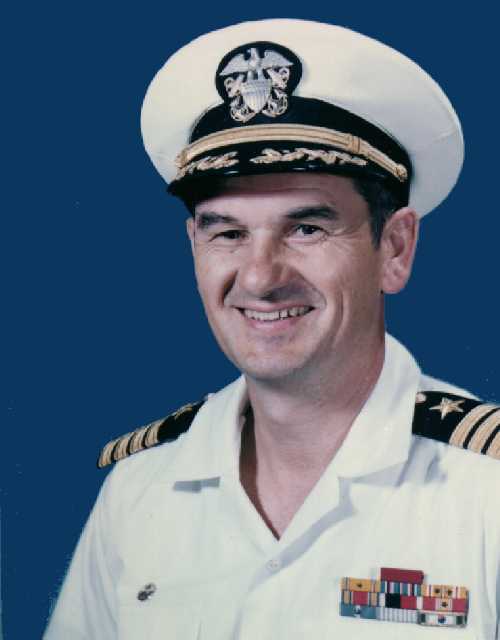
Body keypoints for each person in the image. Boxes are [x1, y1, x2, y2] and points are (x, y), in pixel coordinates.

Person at [44, 18, 500, 639]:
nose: (260, 277)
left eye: (306, 229)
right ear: (194, 245)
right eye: (228, 233)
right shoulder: (139, 488)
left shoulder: (487, 489)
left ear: (394, 249)